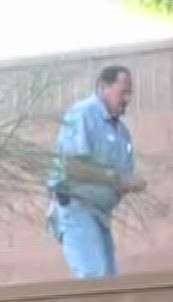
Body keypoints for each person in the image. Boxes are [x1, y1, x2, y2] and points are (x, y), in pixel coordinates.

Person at [46, 64, 145, 279]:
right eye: (123, 92)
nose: (127, 99)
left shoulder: (122, 132)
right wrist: (116, 178)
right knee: (92, 277)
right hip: (76, 205)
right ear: (103, 87)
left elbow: (121, 177)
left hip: (101, 214)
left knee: (109, 279)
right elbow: (73, 166)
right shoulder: (83, 114)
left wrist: (130, 183)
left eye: (130, 93)